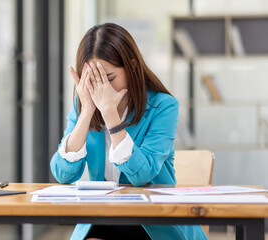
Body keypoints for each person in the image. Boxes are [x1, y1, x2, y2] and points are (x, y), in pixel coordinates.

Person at [50, 23, 208, 240]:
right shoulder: (83, 104)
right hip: (103, 218)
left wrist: (110, 115)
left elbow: (142, 176)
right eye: (92, 79)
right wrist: (86, 112)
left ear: (132, 67)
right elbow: (62, 174)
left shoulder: (163, 106)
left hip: (152, 222)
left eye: (109, 78)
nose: (100, 88)